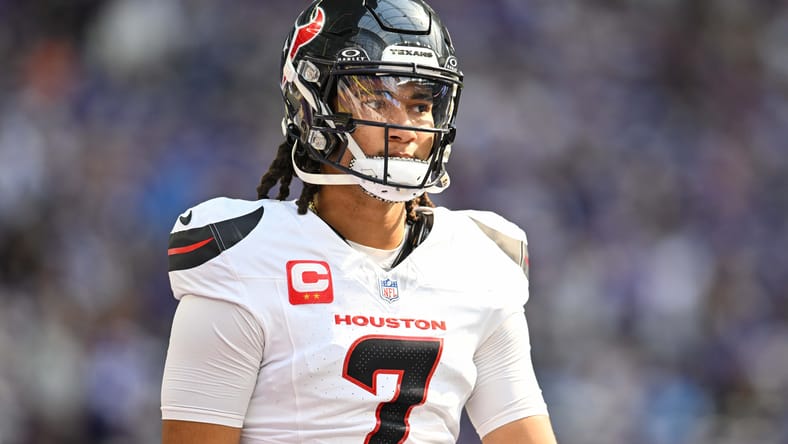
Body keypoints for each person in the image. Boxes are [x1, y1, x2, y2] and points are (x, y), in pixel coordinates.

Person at [160, 0, 558, 443]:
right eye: (376, 99)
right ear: (311, 105)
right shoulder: (243, 256)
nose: (405, 127)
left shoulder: (480, 263)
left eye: (419, 104)